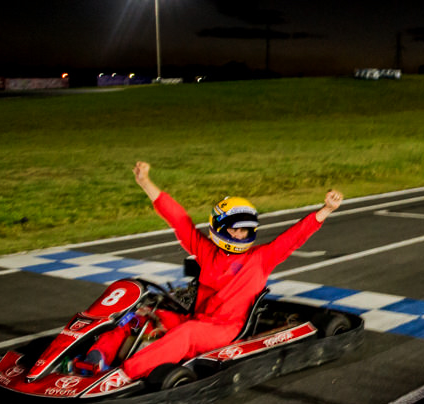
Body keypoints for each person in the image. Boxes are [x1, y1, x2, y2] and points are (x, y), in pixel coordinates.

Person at [78, 161, 343, 381]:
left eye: (245, 229)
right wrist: (146, 182)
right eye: (234, 229)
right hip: (197, 317)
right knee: (143, 317)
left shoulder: (261, 258)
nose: (240, 234)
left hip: (226, 329)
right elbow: (179, 220)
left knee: (186, 334)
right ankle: (97, 357)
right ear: (219, 227)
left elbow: (294, 237)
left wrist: (326, 209)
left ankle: (123, 375)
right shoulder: (207, 252)